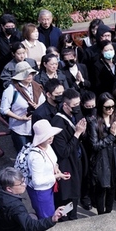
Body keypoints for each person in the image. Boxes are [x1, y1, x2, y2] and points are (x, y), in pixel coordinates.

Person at [0, 167, 64, 231]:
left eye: (24, 180)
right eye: (21, 183)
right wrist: (53, 219)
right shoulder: (15, 207)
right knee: (32, 222)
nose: (24, 184)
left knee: (32, 217)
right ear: (9, 189)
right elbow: (30, 226)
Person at [51, 89, 87, 220]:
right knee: (67, 196)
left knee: (75, 195)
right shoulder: (57, 123)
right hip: (66, 166)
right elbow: (63, 151)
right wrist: (77, 133)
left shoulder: (76, 114)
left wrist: (82, 132)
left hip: (77, 161)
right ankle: (65, 219)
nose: (77, 107)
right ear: (65, 105)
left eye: (78, 103)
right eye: (74, 105)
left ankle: (73, 216)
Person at [87, 93, 116, 214]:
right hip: (101, 158)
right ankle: (100, 212)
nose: (110, 110)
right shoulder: (94, 122)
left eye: (112, 106)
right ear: (100, 107)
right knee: (101, 188)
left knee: (113, 186)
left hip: (114, 156)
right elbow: (94, 145)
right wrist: (110, 136)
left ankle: (108, 211)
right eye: (107, 107)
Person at [24, 120, 68, 219]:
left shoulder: (47, 146)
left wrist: (56, 167)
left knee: (51, 213)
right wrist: (57, 176)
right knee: (47, 217)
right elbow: (37, 182)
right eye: (47, 136)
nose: (51, 138)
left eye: (51, 135)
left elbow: (52, 160)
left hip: (48, 187)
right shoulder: (36, 157)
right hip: (41, 192)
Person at [0, 61, 45, 153]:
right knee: (23, 156)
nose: (30, 76)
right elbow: (4, 109)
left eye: (31, 74)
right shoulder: (11, 90)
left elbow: (44, 103)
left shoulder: (37, 87)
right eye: (27, 74)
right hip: (20, 130)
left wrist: (38, 107)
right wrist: (20, 118)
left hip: (36, 127)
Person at [0, 14, 22, 85]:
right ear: (2, 26)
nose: (10, 28)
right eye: (7, 27)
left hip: (17, 68)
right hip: (2, 70)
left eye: (12, 26)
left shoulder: (18, 35)